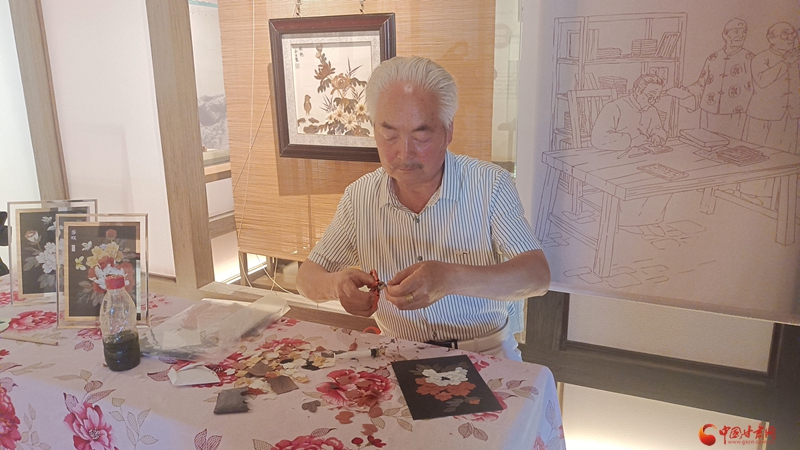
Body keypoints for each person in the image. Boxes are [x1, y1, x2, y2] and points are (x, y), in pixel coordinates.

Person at [295, 56, 550, 361]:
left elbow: (537, 276)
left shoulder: (489, 184)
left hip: (485, 353)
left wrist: (450, 278)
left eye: (421, 136)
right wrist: (336, 286)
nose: (404, 153)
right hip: (398, 353)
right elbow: (306, 278)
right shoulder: (359, 196)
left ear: (448, 131)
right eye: (389, 135)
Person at [591, 74, 672, 236]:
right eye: (650, 95)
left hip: (642, 157)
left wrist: (658, 136)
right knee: (635, 179)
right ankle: (630, 222)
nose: (654, 100)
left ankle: (650, 220)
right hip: (615, 159)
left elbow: (657, 128)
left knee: (665, 176)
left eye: (657, 97)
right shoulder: (614, 107)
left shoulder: (651, 109)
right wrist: (631, 140)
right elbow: (599, 138)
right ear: (637, 91)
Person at [683, 18, 755, 139]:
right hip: (708, 111)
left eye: (744, 32)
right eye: (736, 31)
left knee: (733, 145)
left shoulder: (750, 58)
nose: (741, 35)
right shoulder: (713, 58)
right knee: (705, 143)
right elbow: (701, 83)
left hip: (735, 112)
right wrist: (687, 90)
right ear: (725, 35)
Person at [744, 22, 800, 154]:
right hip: (763, 116)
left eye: (793, 34)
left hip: (791, 116)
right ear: (771, 39)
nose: (790, 38)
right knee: (757, 154)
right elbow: (762, 81)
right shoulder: (761, 58)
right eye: (785, 34)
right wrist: (785, 63)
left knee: (787, 156)